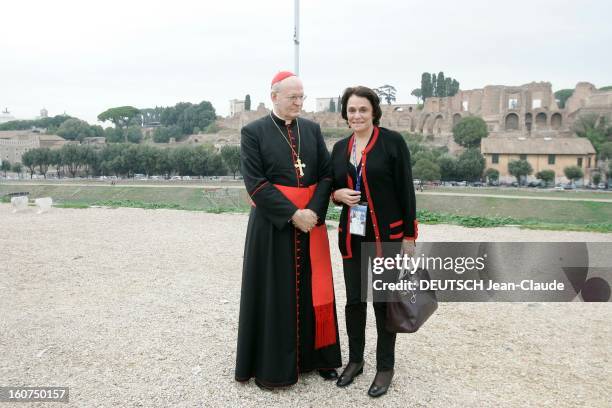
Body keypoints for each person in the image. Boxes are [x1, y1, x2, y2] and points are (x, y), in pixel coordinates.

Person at [235, 71, 342, 390]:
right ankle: (274, 366)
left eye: (302, 97)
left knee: (314, 291)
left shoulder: (311, 129)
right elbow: (255, 184)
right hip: (272, 227)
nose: (299, 103)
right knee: (274, 295)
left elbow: (326, 175)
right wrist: (293, 214)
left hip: (311, 222)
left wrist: (314, 213)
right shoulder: (253, 132)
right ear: (274, 97)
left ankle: (319, 359)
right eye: (293, 97)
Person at [330, 86, 418, 397]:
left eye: (362, 110)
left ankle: (385, 366)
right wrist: (336, 195)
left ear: (374, 112)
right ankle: (355, 361)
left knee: (383, 303)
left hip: (387, 236)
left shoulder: (392, 143)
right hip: (352, 235)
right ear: (345, 114)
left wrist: (410, 235)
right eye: (351, 110)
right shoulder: (340, 148)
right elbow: (331, 184)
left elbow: (406, 191)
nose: (357, 115)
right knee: (354, 301)